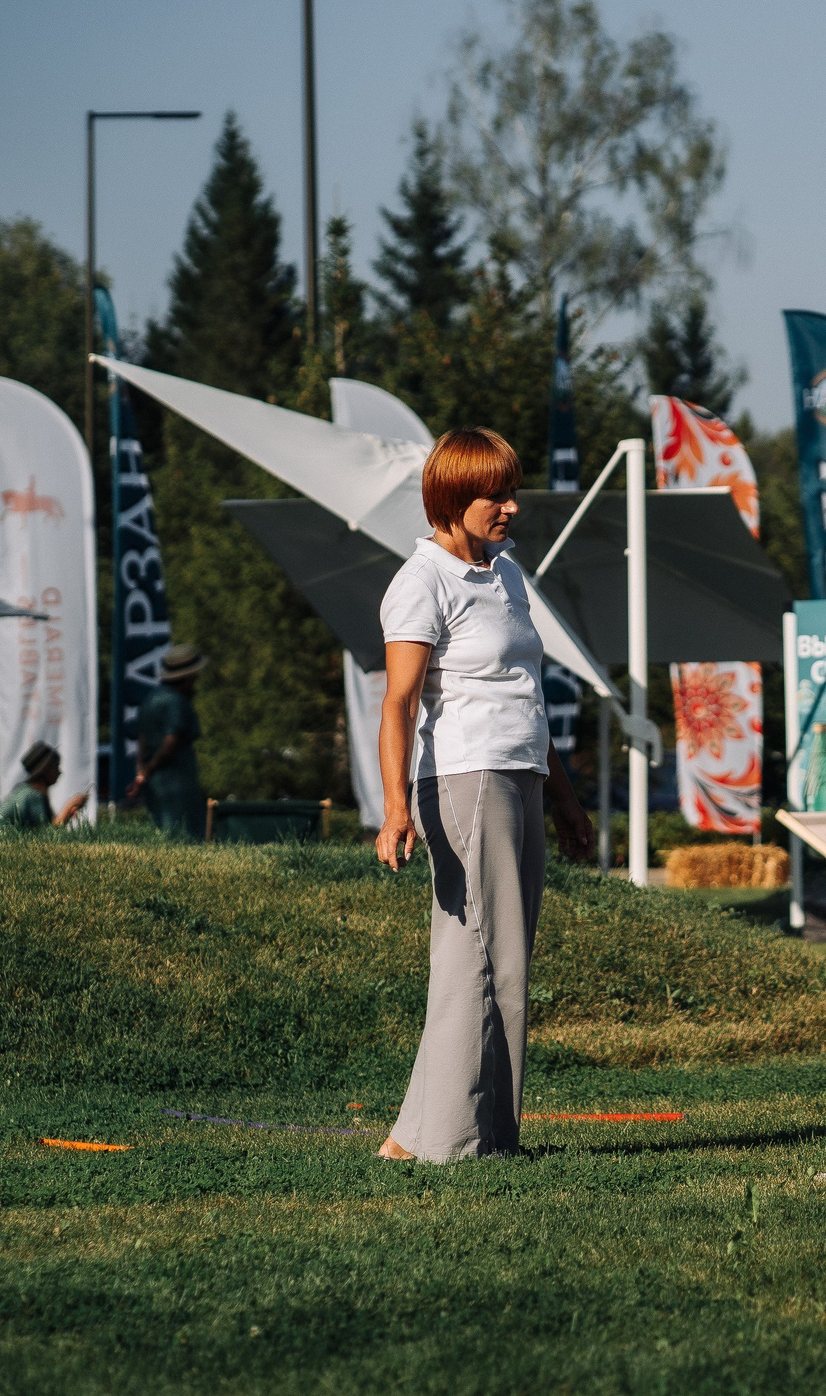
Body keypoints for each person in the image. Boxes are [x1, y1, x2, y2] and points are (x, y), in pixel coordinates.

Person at [375, 426, 595, 1163]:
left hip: (520, 772)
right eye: (495, 496)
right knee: (486, 961)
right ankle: (465, 1142)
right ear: (451, 498)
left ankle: (418, 1137)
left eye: (512, 493)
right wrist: (396, 807)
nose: (511, 508)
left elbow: (525, 695)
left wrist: (564, 799)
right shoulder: (422, 581)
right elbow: (399, 702)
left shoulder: (505, 574)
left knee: (487, 958)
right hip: (466, 778)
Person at [126, 642, 207, 839]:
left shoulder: (150, 699)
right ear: (187, 677)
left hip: (156, 784)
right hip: (177, 782)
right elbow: (170, 743)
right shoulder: (176, 702)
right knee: (187, 835)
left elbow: (142, 740)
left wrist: (141, 772)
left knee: (165, 833)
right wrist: (148, 769)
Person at [0, 741, 88, 829]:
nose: (59, 772)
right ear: (45, 769)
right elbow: (47, 834)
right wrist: (67, 809)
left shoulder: (26, 791)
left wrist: (67, 814)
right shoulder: (32, 796)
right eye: (56, 767)